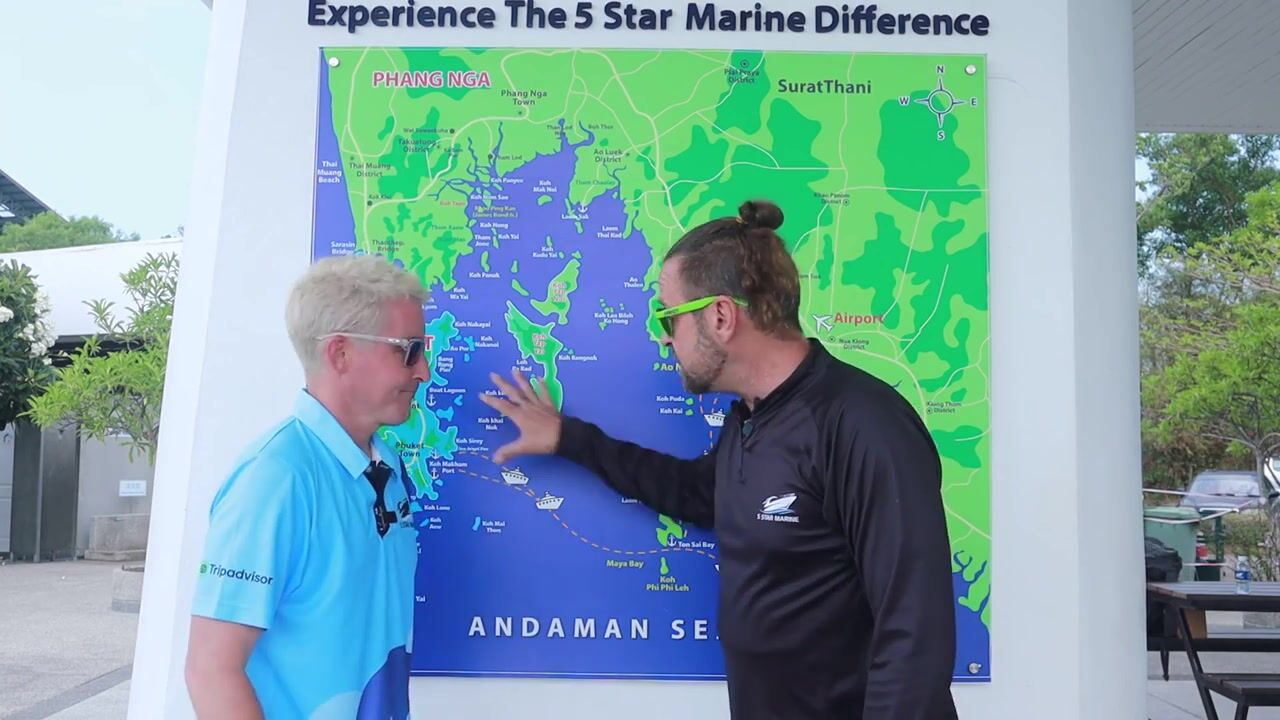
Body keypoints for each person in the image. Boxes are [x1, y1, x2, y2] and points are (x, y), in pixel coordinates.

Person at [481, 200, 959, 720]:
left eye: (668, 316)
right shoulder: (751, 419)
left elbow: (914, 633)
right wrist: (569, 438)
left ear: (721, 316)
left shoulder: (864, 426)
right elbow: (695, 493)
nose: (663, 336)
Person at [185, 254, 430, 719]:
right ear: (340, 353)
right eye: (409, 350)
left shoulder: (389, 470)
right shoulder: (275, 479)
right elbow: (211, 669)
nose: (424, 371)